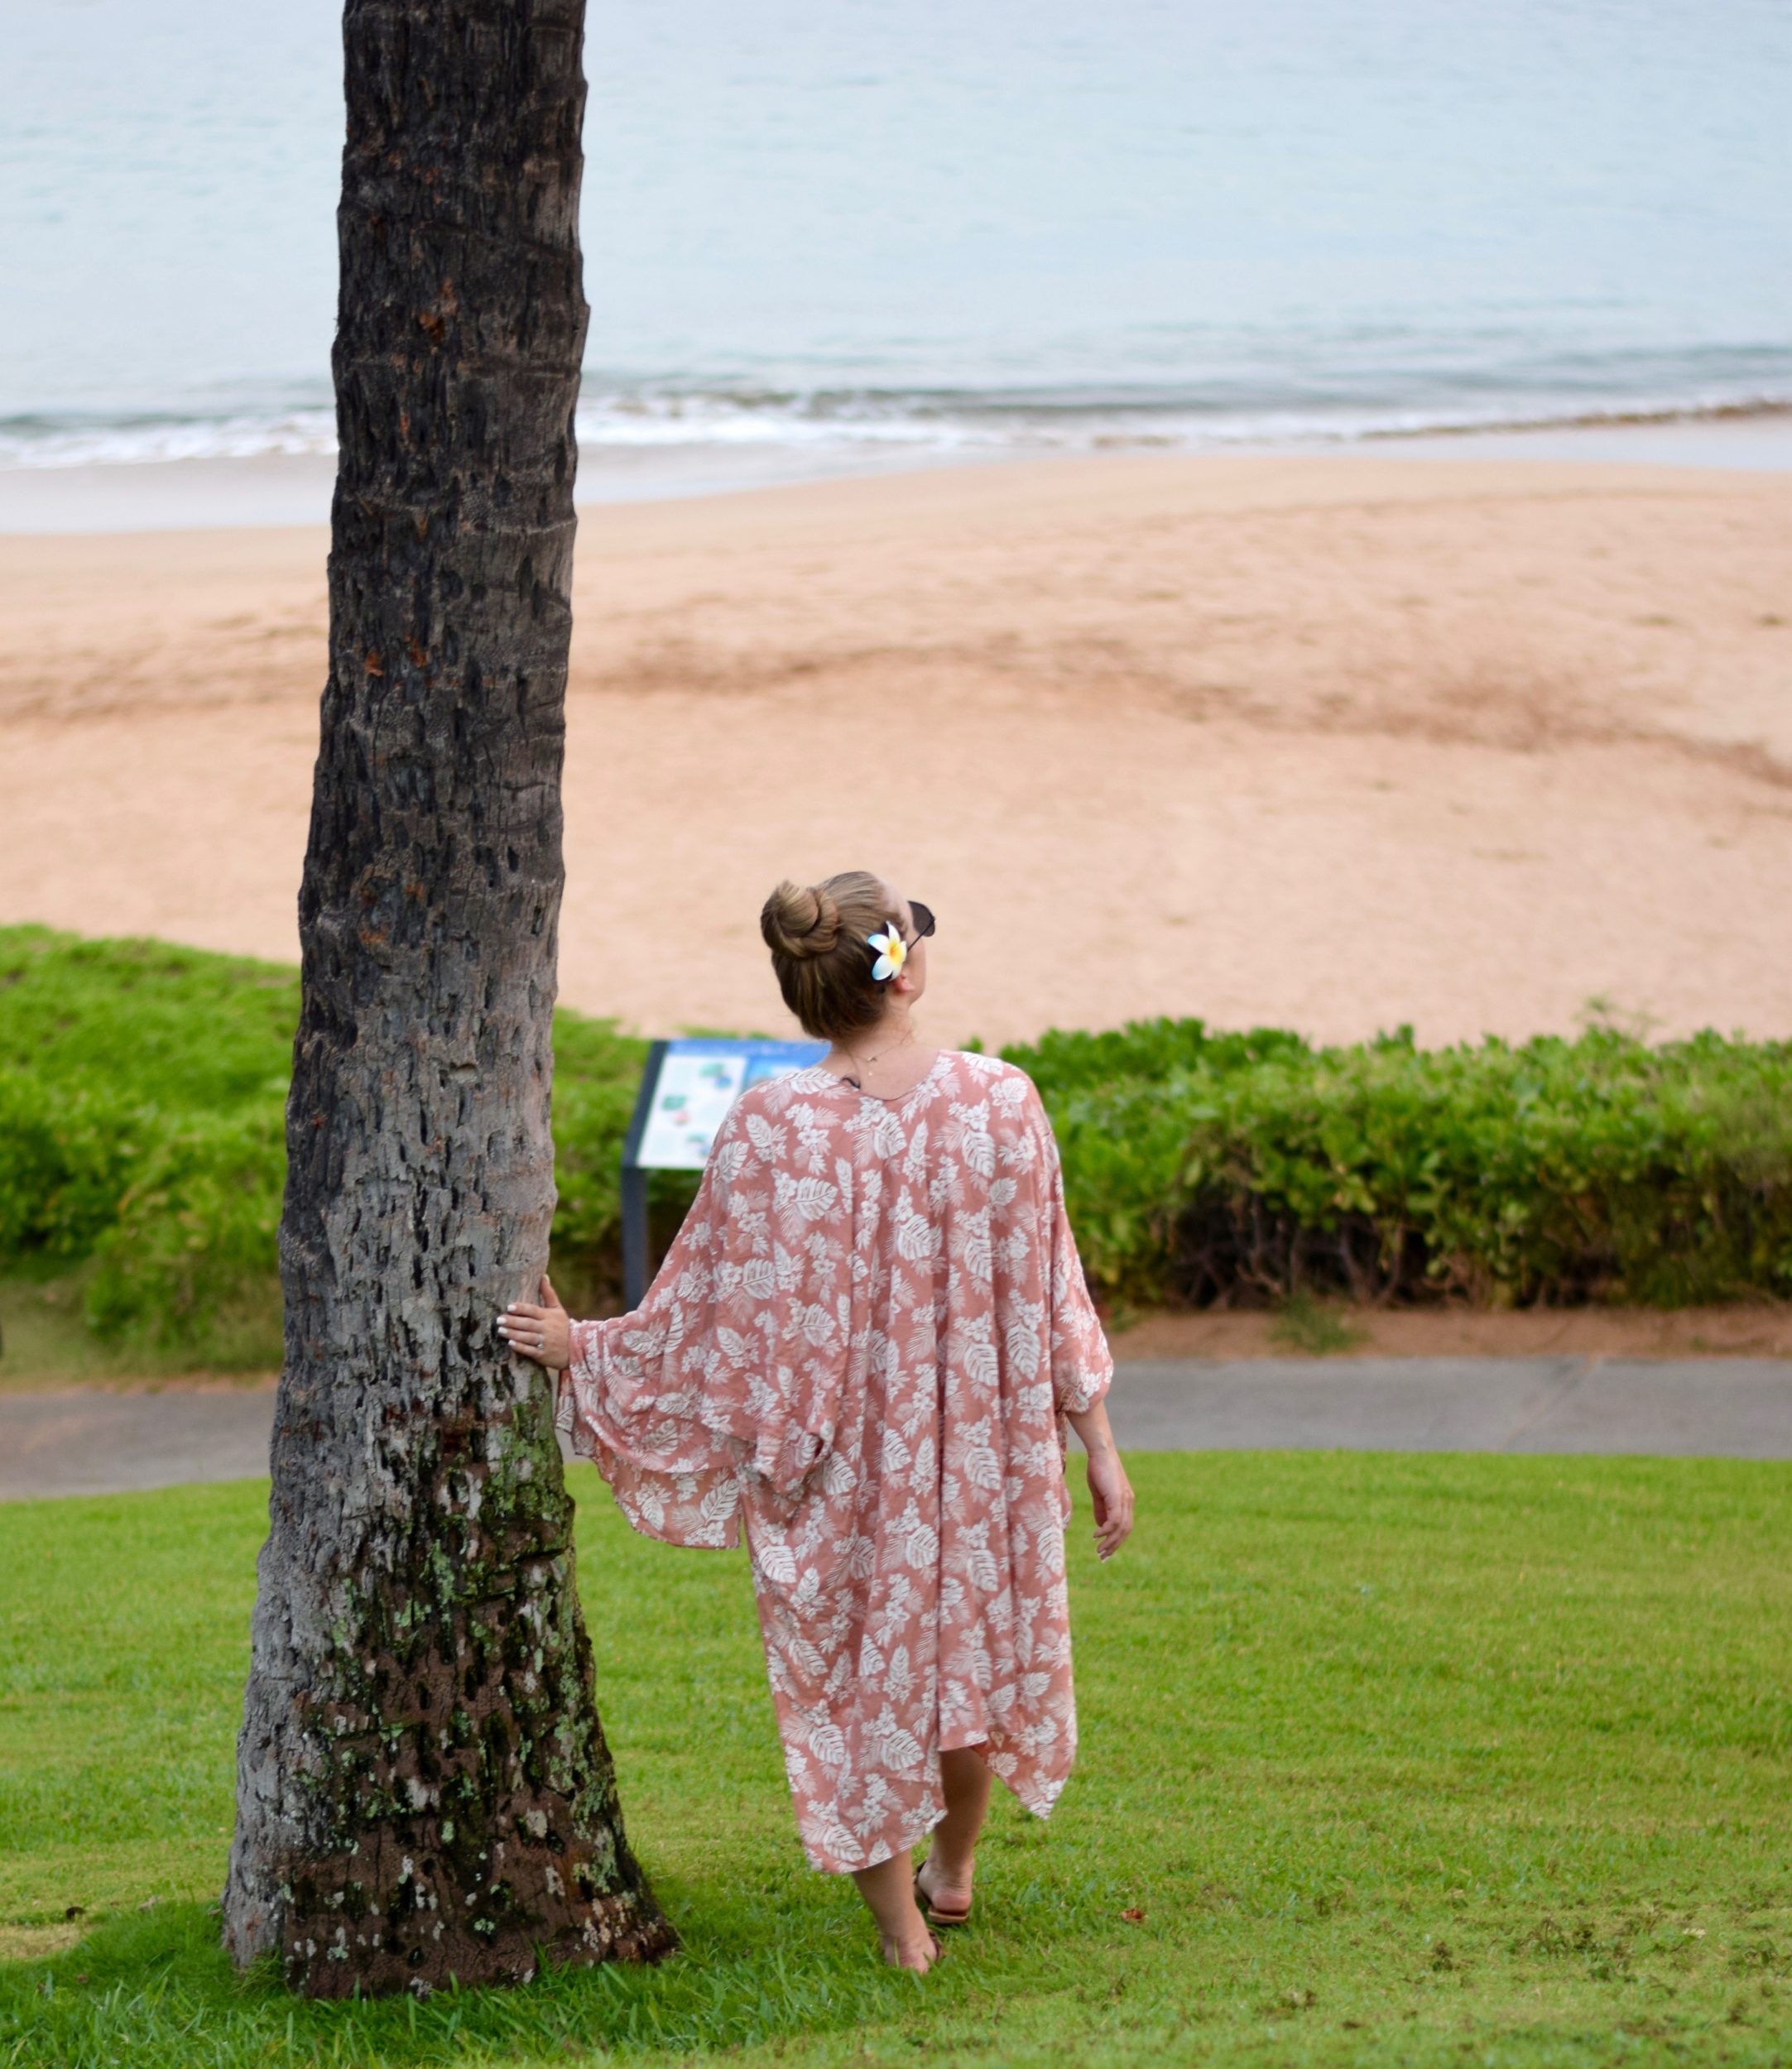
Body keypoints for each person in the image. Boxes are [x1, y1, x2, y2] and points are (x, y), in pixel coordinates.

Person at [499, 870, 1134, 1973]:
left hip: (840, 1468)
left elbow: (706, 1308)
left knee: (853, 1690)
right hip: (979, 1459)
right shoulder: (1003, 1100)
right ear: (906, 963)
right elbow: (1051, 1290)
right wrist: (1103, 1454)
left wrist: (585, 1350)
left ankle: (901, 1936)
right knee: (966, 1678)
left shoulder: (769, 1124)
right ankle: (954, 1873)